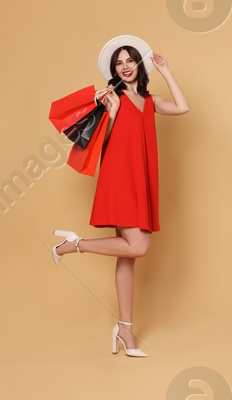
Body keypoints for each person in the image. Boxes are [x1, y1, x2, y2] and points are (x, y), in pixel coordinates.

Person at [50, 35, 190, 358]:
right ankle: (75, 245)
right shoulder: (111, 96)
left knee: (127, 256)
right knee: (139, 245)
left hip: (140, 180)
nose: (125, 67)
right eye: (119, 63)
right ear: (113, 69)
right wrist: (109, 113)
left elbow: (183, 107)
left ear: (138, 64)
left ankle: (125, 330)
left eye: (129, 60)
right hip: (119, 179)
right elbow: (102, 140)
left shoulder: (150, 101)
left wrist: (166, 70)